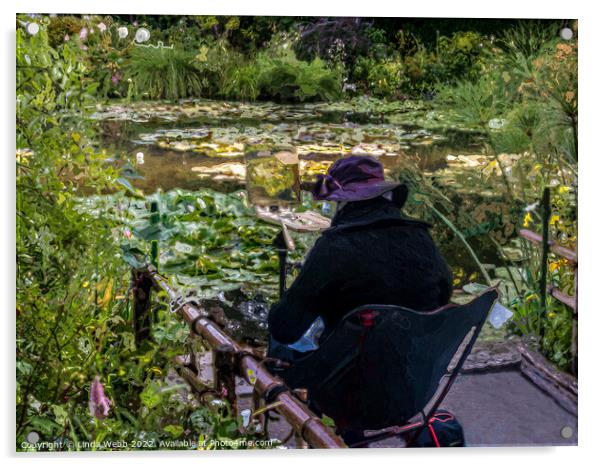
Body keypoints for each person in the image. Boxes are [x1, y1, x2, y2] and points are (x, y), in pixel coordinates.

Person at [267, 155, 452, 361]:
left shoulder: (335, 246)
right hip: (417, 370)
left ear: (343, 201)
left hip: (348, 375)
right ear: (385, 196)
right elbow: (444, 295)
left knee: (278, 346)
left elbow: (284, 329)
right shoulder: (421, 237)